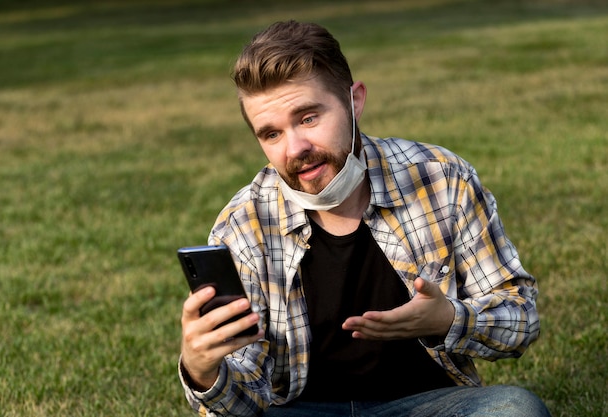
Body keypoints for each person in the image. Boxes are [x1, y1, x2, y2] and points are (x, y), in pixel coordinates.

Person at [178, 20, 551, 417]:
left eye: (308, 118)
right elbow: (243, 400)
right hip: (301, 410)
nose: (295, 148)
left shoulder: (442, 178)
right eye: (271, 134)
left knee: (515, 409)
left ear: (354, 101)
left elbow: (521, 321)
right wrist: (203, 372)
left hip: (425, 405)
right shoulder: (243, 223)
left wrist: (447, 319)